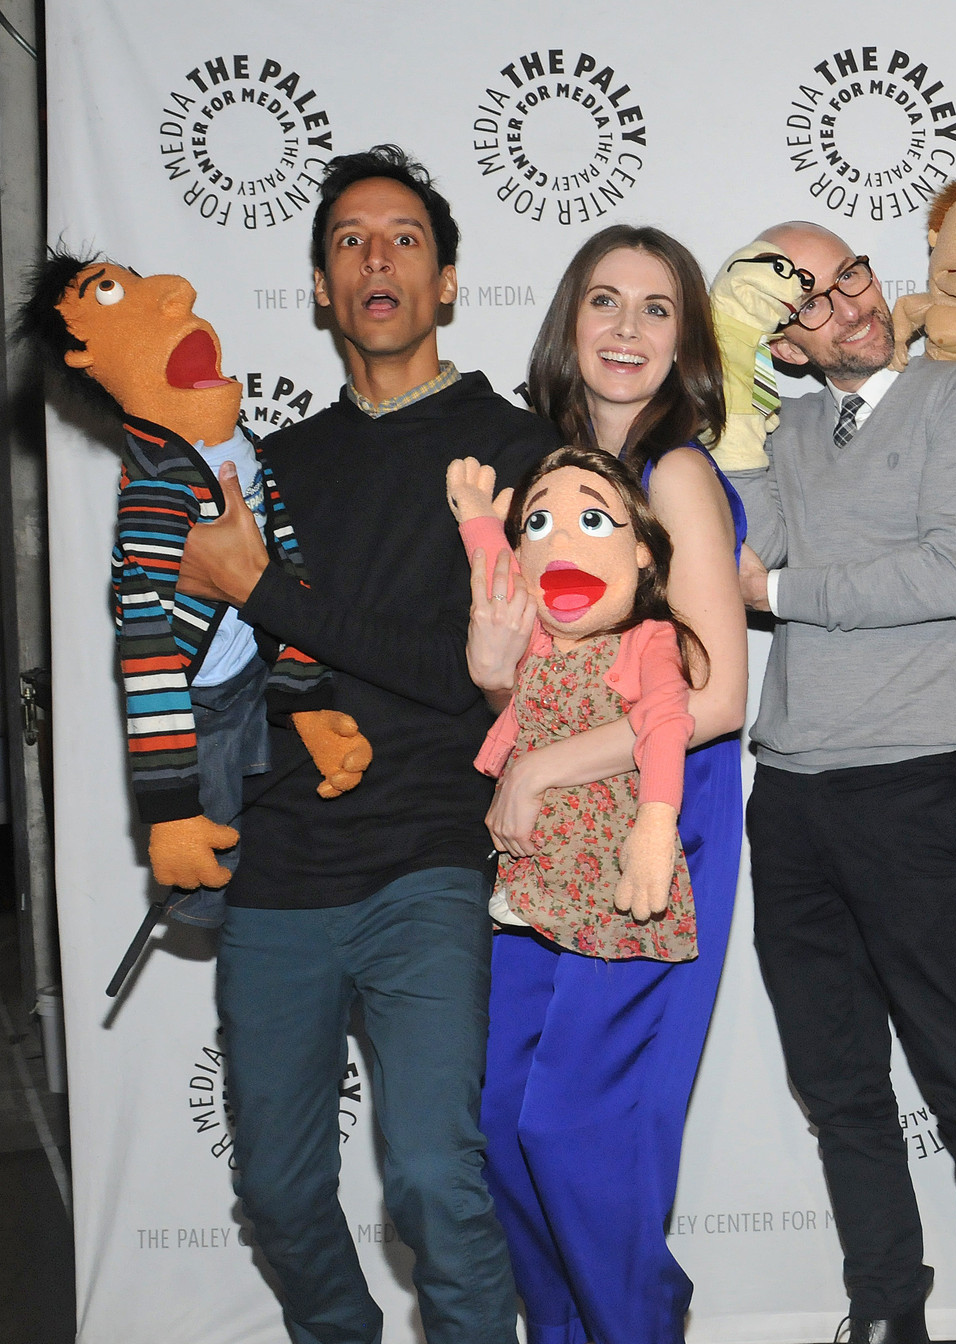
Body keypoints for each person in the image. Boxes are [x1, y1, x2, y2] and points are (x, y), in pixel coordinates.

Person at [174, 145, 556, 1344]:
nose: (376, 257)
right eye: (349, 240)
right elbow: (227, 672)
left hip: (428, 863)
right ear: (324, 289)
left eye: (402, 238)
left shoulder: (519, 453)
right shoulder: (272, 469)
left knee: (437, 1183)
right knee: (279, 1193)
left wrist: (267, 592)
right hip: (276, 876)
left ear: (445, 283)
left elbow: (469, 675)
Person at [730, 221, 956, 1344]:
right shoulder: (782, 430)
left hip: (915, 791)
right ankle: (881, 1316)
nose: (846, 302)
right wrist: (733, 415)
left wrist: (785, 589)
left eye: (849, 271)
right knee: (841, 1088)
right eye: (805, 300)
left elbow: (951, 576)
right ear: (786, 346)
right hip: (791, 799)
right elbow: (737, 560)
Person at [459, 225, 746, 1344]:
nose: (626, 329)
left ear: (686, 345)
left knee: (582, 1129)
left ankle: (638, 1325)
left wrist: (542, 763)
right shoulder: (544, 485)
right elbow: (537, 691)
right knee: (505, 1118)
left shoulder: (671, 470)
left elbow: (715, 694)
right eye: (604, 302)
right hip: (544, 846)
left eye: (657, 309)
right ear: (567, 324)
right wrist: (497, 687)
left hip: (657, 835)